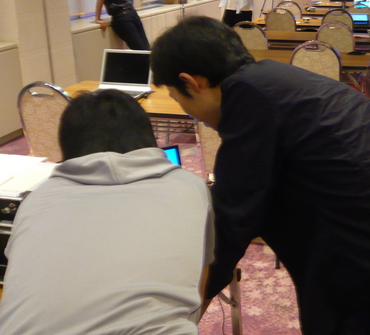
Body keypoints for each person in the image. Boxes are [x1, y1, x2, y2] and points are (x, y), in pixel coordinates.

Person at [150, 16, 370, 335]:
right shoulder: (272, 79)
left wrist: (187, 315)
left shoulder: (248, 98)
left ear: (191, 82)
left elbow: (231, 221)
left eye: (178, 98)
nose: (187, 112)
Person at [0, 90, 214, 335]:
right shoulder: (189, 187)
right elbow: (199, 280)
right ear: (148, 138)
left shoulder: (36, 199)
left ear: (66, 146)